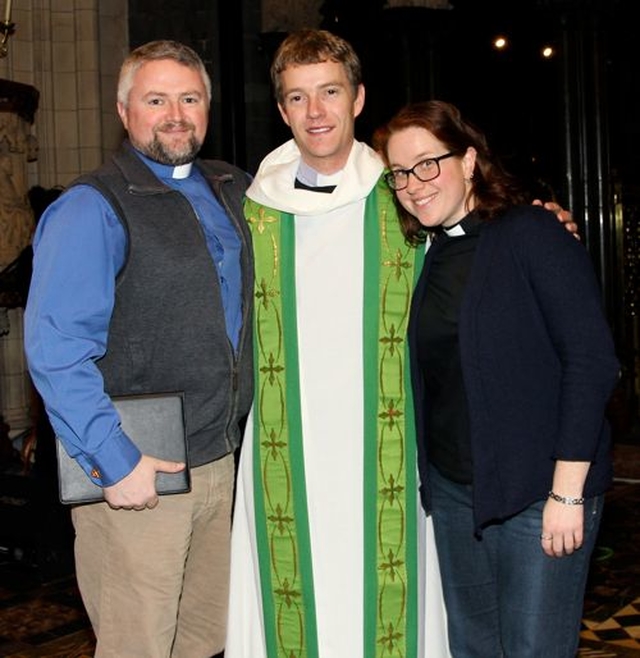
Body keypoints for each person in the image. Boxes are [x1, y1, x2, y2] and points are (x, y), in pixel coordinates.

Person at [226, 29, 575, 658]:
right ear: (281, 111)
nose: (316, 113)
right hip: (286, 446)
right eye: (299, 98)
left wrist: (544, 219)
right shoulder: (249, 207)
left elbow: (484, 239)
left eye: (330, 92)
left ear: (358, 98)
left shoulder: (404, 194)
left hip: (393, 449)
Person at [24, 40, 254, 658]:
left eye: (189, 98)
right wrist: (113, 460)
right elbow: (55, 350)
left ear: (207, 107)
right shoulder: (92, 207)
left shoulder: (236, 189)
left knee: (205, 640)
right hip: (139, 472)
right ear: (125, 112)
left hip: (220, 462)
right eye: (156, 100)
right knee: (138, 647)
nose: (175, 114)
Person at [375, 100, 620, 657]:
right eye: (399, 173)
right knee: (474, 648)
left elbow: (592, 360)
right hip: (457, 495)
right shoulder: (426, 254)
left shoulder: (531, 231)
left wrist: (567, 491)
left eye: (427, 164)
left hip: (540, 492)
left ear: (467, 161)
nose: (413, 184)